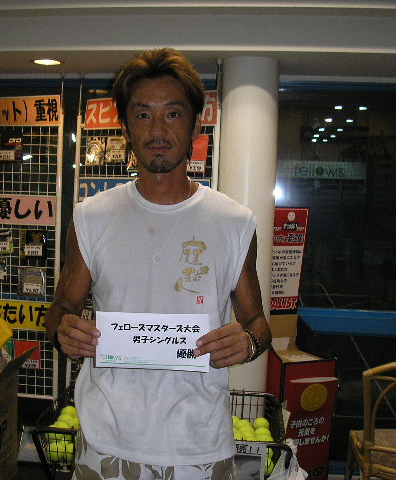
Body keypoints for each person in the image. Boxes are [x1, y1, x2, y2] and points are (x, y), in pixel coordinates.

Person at [46, 47, 272, 480]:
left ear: (195, 125)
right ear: (126, 127)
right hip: (106, 437)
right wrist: (64, 331)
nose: (157, 130)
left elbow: (258, 323)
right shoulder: (91, 218)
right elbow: (61, 310)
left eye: (172, 114)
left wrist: (247, 343)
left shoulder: (234, 222)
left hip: (199, 443)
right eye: (143, 114)